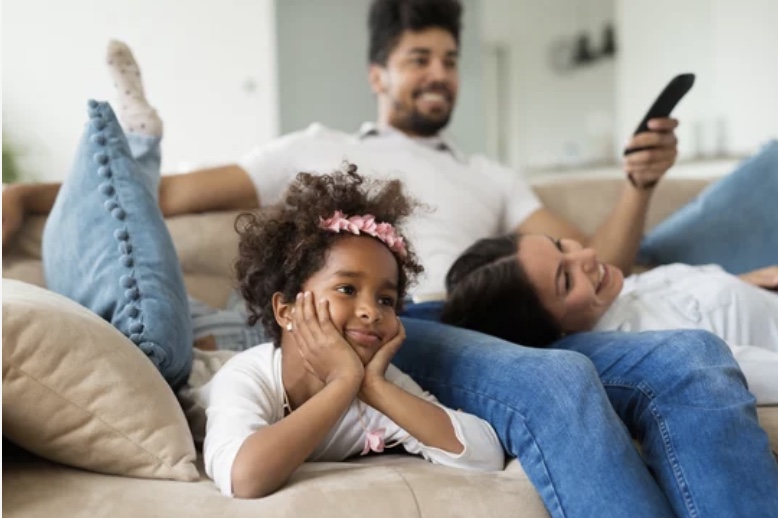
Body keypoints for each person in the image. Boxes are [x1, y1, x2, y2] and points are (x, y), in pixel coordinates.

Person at [3, 0, 778, 515]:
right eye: (418, 58)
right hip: (428, 323)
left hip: (531, 322)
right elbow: (167, 193)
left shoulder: (492, 175)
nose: (437, 72)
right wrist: (25, 196)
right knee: (559, 382)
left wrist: (641, 185)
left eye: (448, 58)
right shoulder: (314, 150)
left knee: (693, 356)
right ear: (379, 75)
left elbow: (589, 273)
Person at [200, 166, 504, 498]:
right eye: (347, 289)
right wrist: (343, 382)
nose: (371, 311)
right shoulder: (246, 377)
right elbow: (243, 478)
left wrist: (373, 387)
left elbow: (485, 455)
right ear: (287, 310)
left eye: (386, 299)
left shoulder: (378, 385)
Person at [441, 233, 778, 404]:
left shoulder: (613, 297)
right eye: (567, 279)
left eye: (561, 245)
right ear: (551, 328)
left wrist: (736, 283)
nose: (586, 255)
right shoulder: (666, 346)